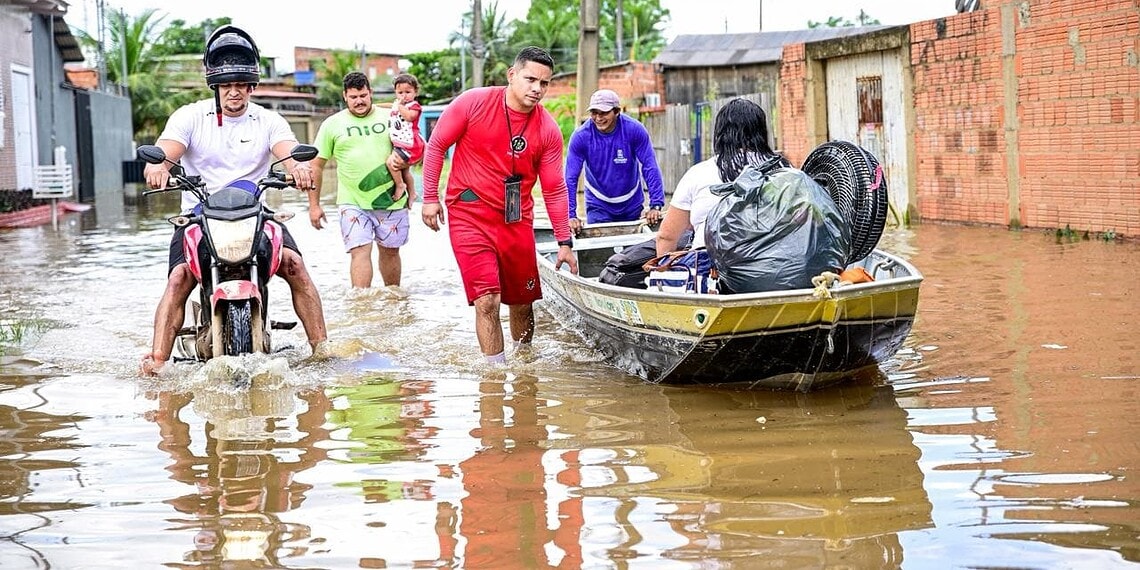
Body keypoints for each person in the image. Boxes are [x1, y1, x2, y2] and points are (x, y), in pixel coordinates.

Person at [140, 25, 327, 376]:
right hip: (198, 215)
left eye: (241, 84)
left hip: (256, 213)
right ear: (215, 86)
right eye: (227, 85)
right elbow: (168, 149)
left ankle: (323, 350)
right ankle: (156, 362)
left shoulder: (268, 120)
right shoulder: (190, 116)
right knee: (179, 278)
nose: (235, 92)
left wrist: (298, 167)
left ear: (252, 86)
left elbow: (287, 151)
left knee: (295, 267)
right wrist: (160, 164)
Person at [420, 46, 578, 365]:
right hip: (469, 214)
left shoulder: (547, 129)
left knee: (522, 302)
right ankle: (495, 376)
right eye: (530, 79)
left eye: (544, 83)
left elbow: (554, 188)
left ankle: (523, 368)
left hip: (515, 218)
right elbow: (436, 146)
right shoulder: (473, 102)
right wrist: (429, 198)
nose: (537, 88)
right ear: (512, 75)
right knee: (487, 300)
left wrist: (564, 242)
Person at [309, 71, 412, 289]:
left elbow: (412, 148)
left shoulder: (391, 117)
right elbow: (316, 165)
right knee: (359, 251)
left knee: (391, 251)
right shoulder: (332, 124)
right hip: (352, 202)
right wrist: (314, 205)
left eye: (363, 95)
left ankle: (394, 300)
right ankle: (362, 307)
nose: (359, 101)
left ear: (370, 93)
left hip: (391, 199)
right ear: (345, 96)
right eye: (354, 97)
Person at [656, 98, 789, 257]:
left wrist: (664, 272)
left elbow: (667, 236)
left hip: (710, 271)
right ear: (761, 132)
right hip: (776, 269)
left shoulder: (699, 174)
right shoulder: (783, 170)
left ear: (720, 133)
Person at [565, 88, 666, 234]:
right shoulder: (581, 137)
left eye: (604, 113)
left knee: (634, 254)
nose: (598, 118)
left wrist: (655, 205)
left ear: (617, 112)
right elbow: (570, 178)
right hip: (598, 205)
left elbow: (649, 166)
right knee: (600, 255)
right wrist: (570, 215)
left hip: (631, 205)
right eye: (594, 113)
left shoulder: (634, 130)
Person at [386, 73, 426, 202]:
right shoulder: (397, 104)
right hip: (400, 143)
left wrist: (400, 106)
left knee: (391, 164)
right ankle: (412, 193)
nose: (404, 96)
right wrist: (374, 107)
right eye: (400, 92)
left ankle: (400, 185)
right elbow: (389, 106)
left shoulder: (414, 106)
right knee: (405, 172)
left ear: (415, 92)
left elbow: (409, 117)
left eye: (408, 92)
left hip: (410, 144)